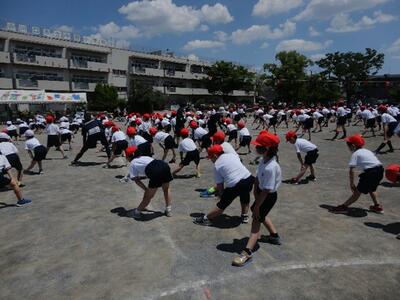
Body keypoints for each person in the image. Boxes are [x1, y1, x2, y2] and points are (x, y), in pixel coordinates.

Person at [232, 132, 282, 267]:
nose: (256, 148)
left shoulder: (272, 167)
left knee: (256, 222)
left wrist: (258, 206)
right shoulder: (263, 160)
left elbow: (267, 190)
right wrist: (255, 191)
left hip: (267, 196)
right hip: (261, 194)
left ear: (266, 149)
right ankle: (274, 236)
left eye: (258, 146)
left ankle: (247, 252)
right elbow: (258, 178)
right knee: (259, 213)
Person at [193, 144, 255, 226]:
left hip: (236, 184)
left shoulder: (217, 165)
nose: (211, 160)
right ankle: (244, 216)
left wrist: (222, 197)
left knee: (221, 205)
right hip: (249, 178)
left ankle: (206, 218)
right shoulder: (232, 155)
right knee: (245, 197)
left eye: (211, 157)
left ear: (215, 155)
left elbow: (220, 186)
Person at [330, 134, 384, 214]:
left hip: (371, 173)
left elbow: (351, 170)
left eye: (348, 145)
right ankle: (377, 206)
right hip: (380, 170)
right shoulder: (367, 150)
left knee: (357, 192)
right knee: (372, 188)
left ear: (353, 145)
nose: (348, 147)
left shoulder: (356, 154)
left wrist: (352, 183)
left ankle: (344, 207)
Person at [125, 146, 173, 218]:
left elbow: (136, 180)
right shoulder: (144, 157)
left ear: (129, 156)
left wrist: (145, 189)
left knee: (148, 196)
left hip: (155, 171)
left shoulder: (132, 163)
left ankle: (137, 212)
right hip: (164, 165)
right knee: (166, 189)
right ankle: (168, 210)